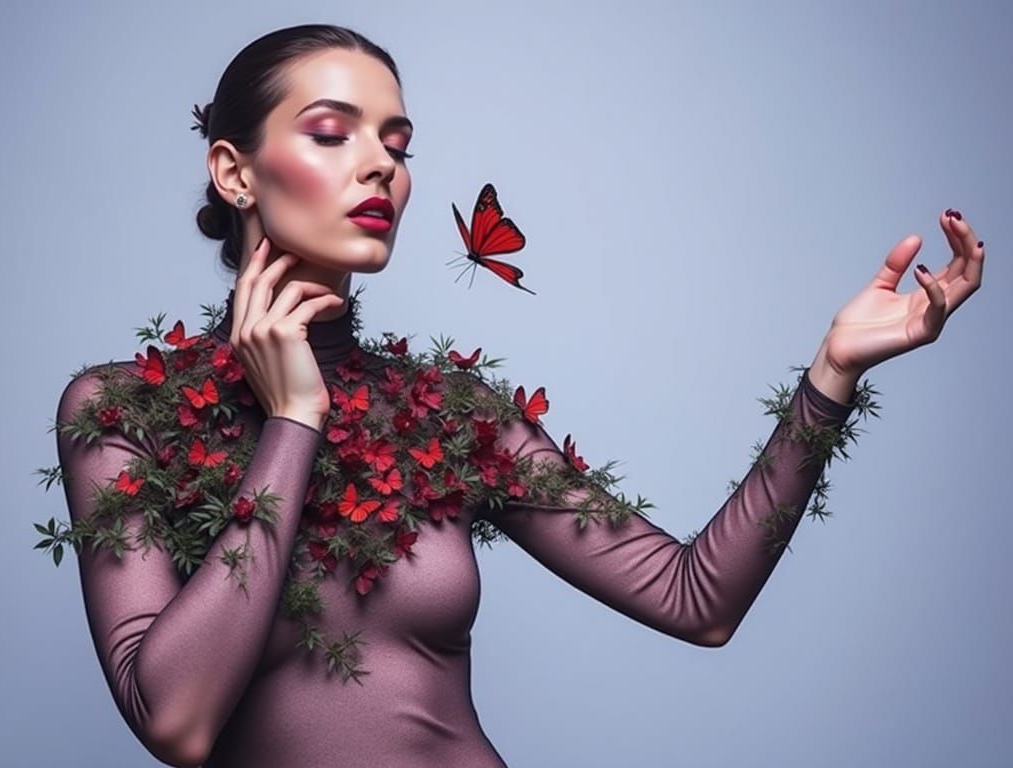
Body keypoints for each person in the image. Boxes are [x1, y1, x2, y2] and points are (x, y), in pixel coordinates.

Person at [51, 23, 985, 768]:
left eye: (397, 142)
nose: (382, 165)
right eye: (334, 133)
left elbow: (695, 600)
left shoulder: (453, 415)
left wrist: (831, 375)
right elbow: (176, 723)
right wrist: (294, 418)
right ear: (234, 170)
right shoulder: (122, 413)